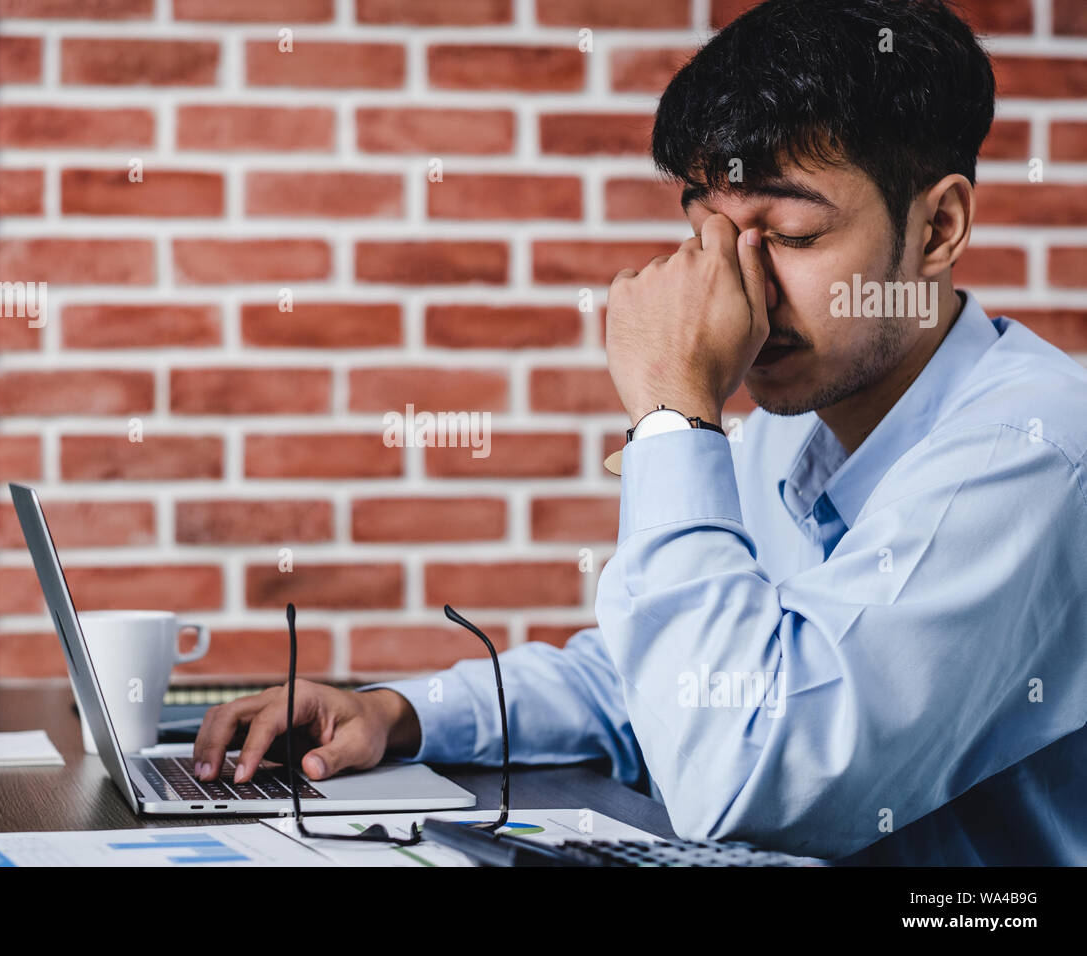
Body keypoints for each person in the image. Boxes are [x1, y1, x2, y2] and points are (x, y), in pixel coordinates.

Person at [193, 0, 1087, 864]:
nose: (736, 289)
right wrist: (399, 712)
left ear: (938, 228)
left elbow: (746, 773)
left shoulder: (1030, 450)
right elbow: (654, 685)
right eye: (706, 230)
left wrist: (672, 413)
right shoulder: (795, 422)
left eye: (793, 235)